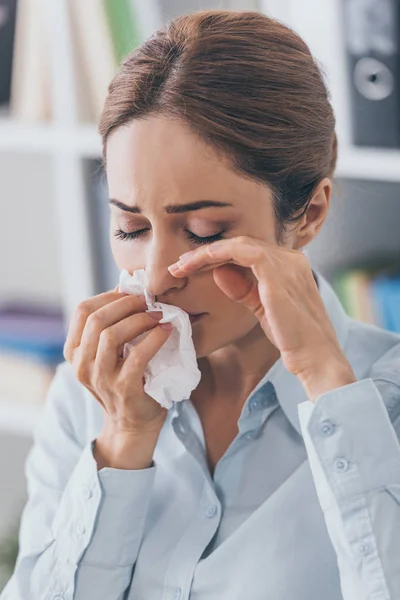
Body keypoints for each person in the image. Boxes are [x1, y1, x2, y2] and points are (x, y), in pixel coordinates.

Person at [2, 9, 400, 600]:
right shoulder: (87, 399)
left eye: (207, 230)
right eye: (131, 227)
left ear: (309, 214)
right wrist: (122, 446)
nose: (157, 277)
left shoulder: (384, 403)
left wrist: (327, 381)